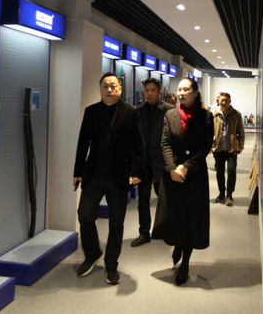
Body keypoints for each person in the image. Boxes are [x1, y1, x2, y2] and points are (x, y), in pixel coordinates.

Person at [72, 72, 144, 285]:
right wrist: (77, 171)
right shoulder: (91, 111)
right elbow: (83, 142)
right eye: (105, 86)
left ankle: (111, 265)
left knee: (116, 223)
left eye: (113, 86)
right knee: (85, 215)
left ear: (120, 89)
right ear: (100, 89)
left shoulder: (131, 112)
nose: (109, 89)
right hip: (93, 174)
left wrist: (137, 173)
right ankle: (92, 252)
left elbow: (138, 145)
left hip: (119, 176)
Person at [152, 78, 213, 285]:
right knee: (175, 216)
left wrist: (186, 167)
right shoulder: (170, 115)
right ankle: (178, 244)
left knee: (191, 219)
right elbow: (165, 143)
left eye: (186, 89)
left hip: (194, 175)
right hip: (173, 175)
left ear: (195, 93)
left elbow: (204, 148)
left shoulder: (206, 117)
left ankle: (185, 263)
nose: (182, 93)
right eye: (179, 89)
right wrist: (171, 168)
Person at [131, 78, 174, 247]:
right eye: (147, 91)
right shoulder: (138, 111)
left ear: (160, 92)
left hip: (162, 164)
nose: (149, 94)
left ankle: (166, 230)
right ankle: (144, 233)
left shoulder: (169, 111)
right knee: (143, 201)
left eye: (153, 90)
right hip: (143, 165)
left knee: (165, 200)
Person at [211, 92, 245, 206]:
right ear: (218, 101)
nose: (224, 102)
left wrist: (241, 145)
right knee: (219, 172)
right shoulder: (214, 114)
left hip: (232, 148)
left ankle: (229, 195)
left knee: (231, 171)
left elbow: (241, 131)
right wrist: (210, 146)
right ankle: (221, 194)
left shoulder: (236, 114)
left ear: (230, 101)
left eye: (226, 100)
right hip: (218, 148)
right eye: (222, 100)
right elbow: (209, 131)